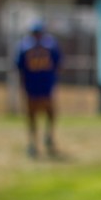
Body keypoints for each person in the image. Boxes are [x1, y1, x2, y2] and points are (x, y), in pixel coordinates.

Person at [15, 20, 62, 158]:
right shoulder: (50, 46)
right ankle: (35, 142)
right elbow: (58, 65)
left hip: (40, 86)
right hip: (37, 87)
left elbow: (19, 67)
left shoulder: (25, 46)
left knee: (46, 114)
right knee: (35, 115)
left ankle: (44, 138)